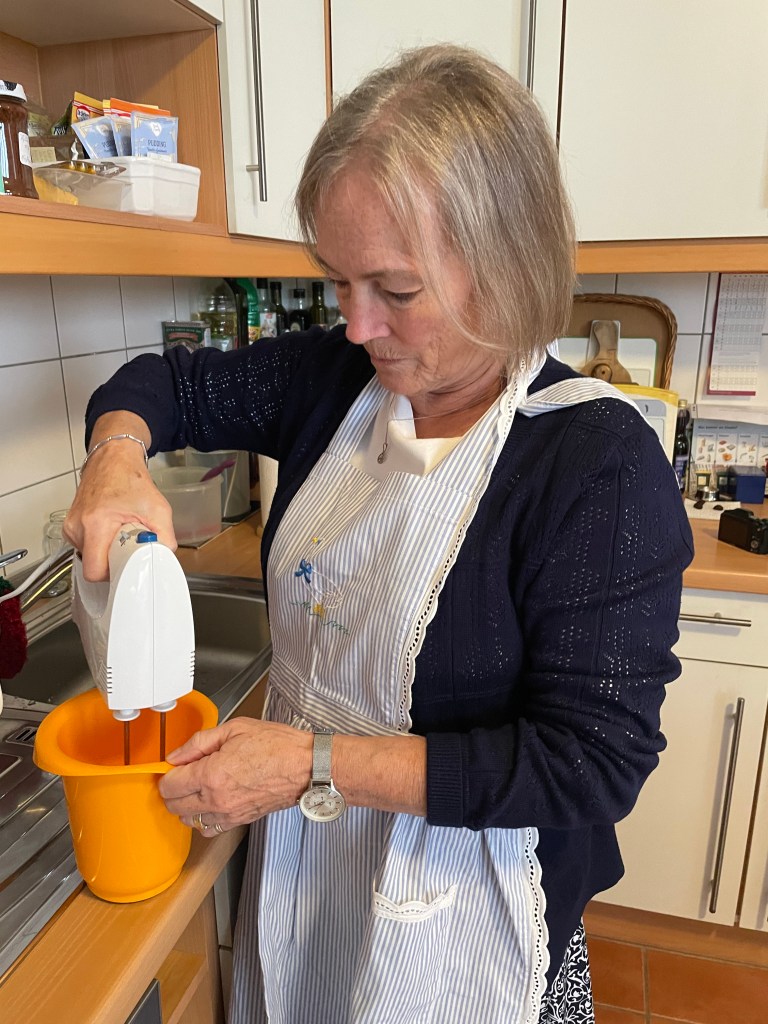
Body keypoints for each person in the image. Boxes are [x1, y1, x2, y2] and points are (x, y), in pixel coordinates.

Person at [65, 44, 693, 1024]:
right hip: (307, 867)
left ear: (508, 262)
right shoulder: (332, 381)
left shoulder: (594, 463)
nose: (357, 326)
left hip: (471, 914)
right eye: (338, 282)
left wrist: (310, 764)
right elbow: (163, 385)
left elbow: (589, 764)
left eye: (395, 291)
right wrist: (114, 456)